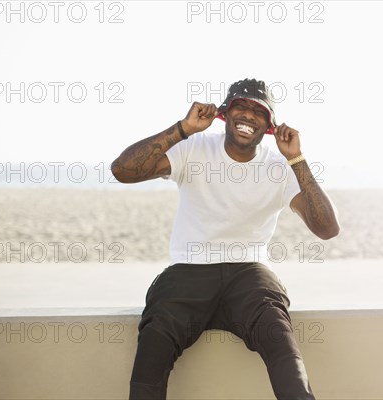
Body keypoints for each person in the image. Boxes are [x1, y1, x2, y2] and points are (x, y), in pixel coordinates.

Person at [111, 78, 340, 400]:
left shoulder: (279, 167)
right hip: (188, 270)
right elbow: (123, 171)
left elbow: (326, 228)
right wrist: (182, 129)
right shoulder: (194, 147)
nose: (248, 116)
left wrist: (297, 159)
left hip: (249, 273)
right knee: (154, 343)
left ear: (270, 125)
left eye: (258, 111)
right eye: (240, 107)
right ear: (224, 114)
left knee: (281, 341)